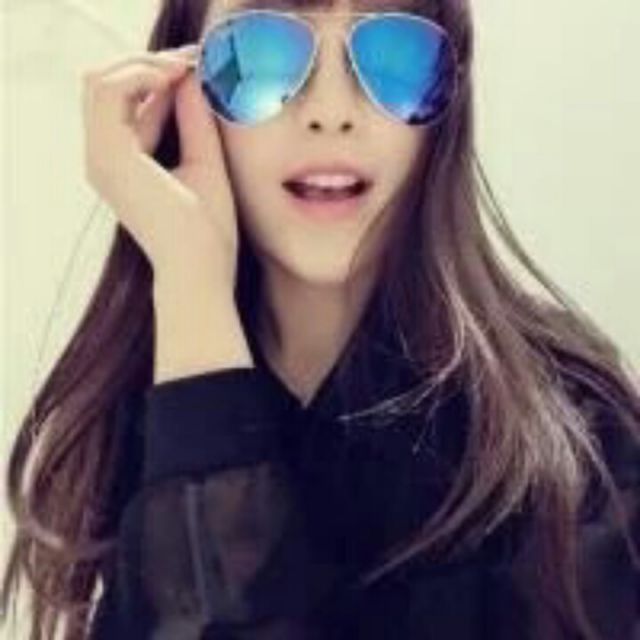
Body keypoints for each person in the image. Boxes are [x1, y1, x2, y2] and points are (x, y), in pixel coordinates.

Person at [2, 0, 639, 638]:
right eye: (261, 50)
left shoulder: (572, 431)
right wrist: (192, 289)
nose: (331, 112)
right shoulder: (139, 422)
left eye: (396, 54)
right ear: (183, 86)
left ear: (451, 91)